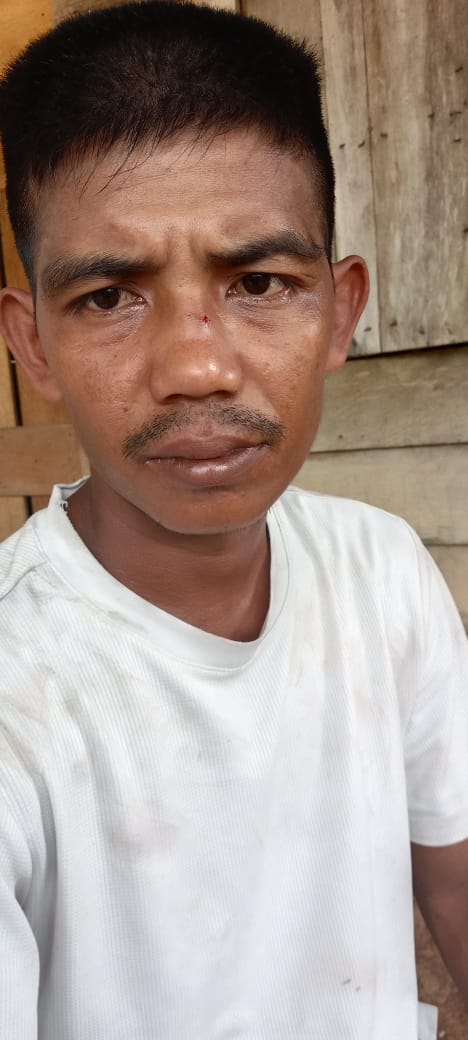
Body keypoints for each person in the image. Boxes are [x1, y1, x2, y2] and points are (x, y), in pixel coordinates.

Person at [0, 2, 467, 1037]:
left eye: (259, 281)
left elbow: (455, 877)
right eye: (109, 297)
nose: (198, 365)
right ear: (32, 345)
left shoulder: (382, 568)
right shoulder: (17, 693)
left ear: (339, 311)